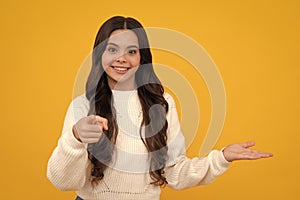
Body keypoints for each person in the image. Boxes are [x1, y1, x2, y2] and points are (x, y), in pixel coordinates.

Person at [47, 16, 273, 200]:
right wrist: (75, 138)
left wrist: (221, 158)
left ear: (142, 57)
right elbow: (61, 181)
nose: (122, 59)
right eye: (112, 49)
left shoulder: (162, 104)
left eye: (131, 51)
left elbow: (175, 172)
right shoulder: (83, 106)